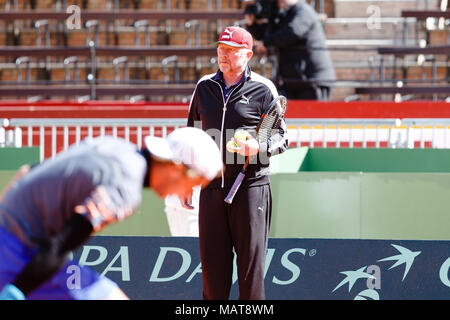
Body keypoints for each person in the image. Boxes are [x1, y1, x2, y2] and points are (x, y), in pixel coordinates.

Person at [0, 127, 222, 300]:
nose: (189, 193)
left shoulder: (115, 146)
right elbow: (59, 247)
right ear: (176, 168)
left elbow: (26, 171)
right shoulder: (124, 189)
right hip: (18, 254)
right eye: (195, 184)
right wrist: (15, 291)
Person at [185, 26, 288, 300]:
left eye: (231, 50)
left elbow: (281, 138)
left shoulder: (264, 89)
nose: (223, 54)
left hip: (250, 190)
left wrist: (258, 146)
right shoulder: (204, 87)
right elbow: (192, 136)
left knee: (250, 279)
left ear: (248, 54)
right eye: (221, 48)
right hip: (211, 191)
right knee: (212, 279)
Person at [245, 0, 336, 100]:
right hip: (294, 81)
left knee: (313, 115)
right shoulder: (287, 15)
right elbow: (272, 34)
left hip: (312, 81)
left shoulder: (303, 11)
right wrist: (252, 24)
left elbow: (292, 32)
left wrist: (265, 43)